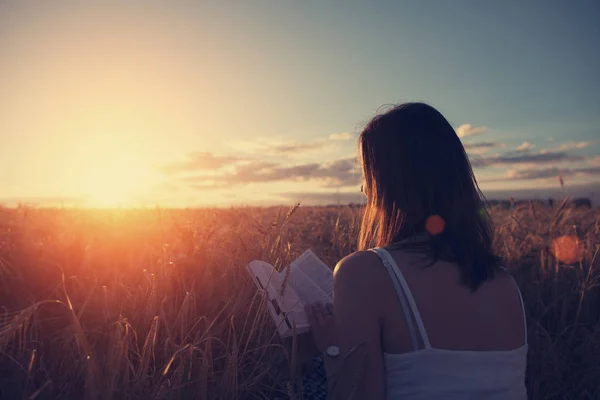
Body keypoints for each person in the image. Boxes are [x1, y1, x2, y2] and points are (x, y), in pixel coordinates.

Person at [305, 102, 528, 399]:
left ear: (388, 182)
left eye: (367, 175)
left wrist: (331, 347)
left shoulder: (363, 272)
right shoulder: (504, 280)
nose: (363, 189)